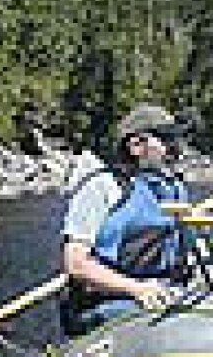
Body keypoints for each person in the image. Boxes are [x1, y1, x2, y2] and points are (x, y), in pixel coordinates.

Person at [59, 104, 194, 337]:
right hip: (108, 301)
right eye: (165, 139)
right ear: (135, 146)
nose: (175, 147)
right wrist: (137, 289)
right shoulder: (102, 188)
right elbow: (76, 264)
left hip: (164, 291)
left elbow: (186, 250)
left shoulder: (173, 188)